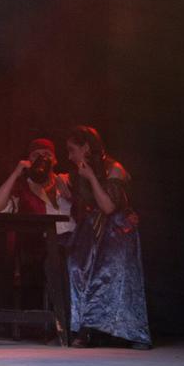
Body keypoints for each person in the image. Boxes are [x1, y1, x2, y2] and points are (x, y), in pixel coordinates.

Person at [65, 125, 151, 349]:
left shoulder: (114, 168)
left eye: (72, 149)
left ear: (86, 147)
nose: (69, 156)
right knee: (77, 268)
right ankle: (87, 329)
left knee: (111, 274)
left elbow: (108, 207)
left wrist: (91, 178)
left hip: (116, 231)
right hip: (93, 231)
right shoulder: (79, 172)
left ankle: (129, 331)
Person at [0, 138, 74, 237]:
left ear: (55, 160)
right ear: (29, 161)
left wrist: (72, 195)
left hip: (76, 241)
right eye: (36, 155)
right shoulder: (22, 187)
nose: (42, 158)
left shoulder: (66, 181)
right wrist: (16, 173)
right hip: (43, 243)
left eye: (47, 154)